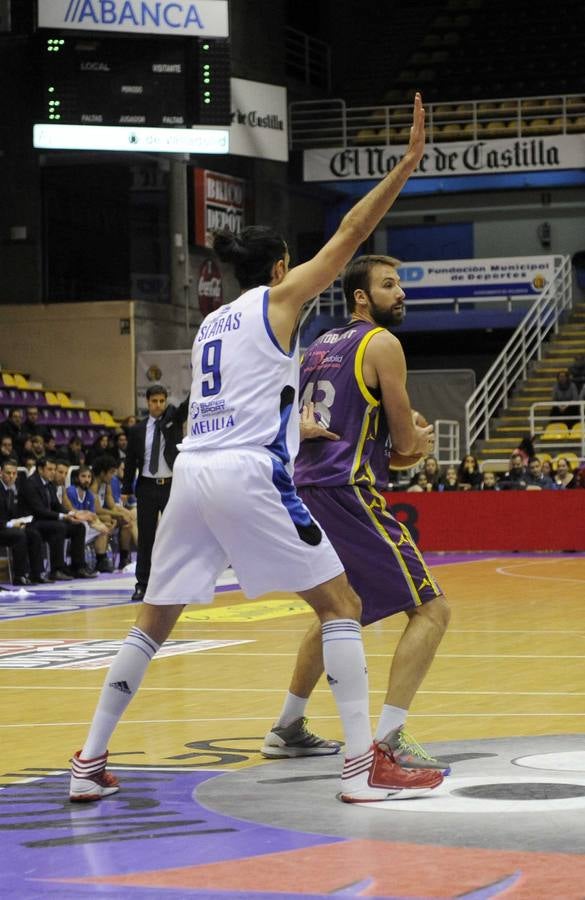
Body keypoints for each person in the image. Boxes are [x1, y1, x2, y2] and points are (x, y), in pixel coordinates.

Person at [69, 93, 444, 805]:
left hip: (191, 472)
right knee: (341, 606)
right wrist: (402, 167)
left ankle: (88, 762)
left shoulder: (212, 322)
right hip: (246, 473)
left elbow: (237, 397)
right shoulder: (277, 303)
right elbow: (353, 230)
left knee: (152, 623)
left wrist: (289, 424)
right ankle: (363, 770)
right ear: (279, 268)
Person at [260, 253, 450, 772]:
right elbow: (405, 446)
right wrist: (421, 443)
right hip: (347, 489)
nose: (401, 293)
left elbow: (303, 416)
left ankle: (288, 726)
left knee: (338, 609)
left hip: (305, 488)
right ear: (361, 297)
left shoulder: (318, 346)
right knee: (432, 609)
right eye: (390, 284)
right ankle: (388, 737)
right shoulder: (382, 343)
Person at [121, 386, 189, 601]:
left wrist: (199, 381)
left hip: (170, 485)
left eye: (162, 401)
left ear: (166, 401)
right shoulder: (137, 430)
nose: (158, 405)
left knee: (173, 536)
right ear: (147, 403)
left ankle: (174, 583)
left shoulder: (173, 420)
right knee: (146, 538)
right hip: (147, 487)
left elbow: (186, 407)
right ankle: (142, 584)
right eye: (154, 401)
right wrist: (125, 489)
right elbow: (130, 460)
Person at [21, 457, 97, 581]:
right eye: (50, 469)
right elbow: (39, 510)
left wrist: (73, 514)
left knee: (78, 527)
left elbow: (56, 505)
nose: (53, 472)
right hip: (32, 522)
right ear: (40, 469)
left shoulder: (49, 484)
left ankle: (78, 566)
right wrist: (63, 517)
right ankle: (57, 569)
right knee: (59, 526)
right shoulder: (30, 484)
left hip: (46, 521)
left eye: (54, 469)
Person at [0, 458, 48, 585]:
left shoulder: (11, 490)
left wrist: (21, 521)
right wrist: (11, 524)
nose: (11, 476)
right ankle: (19, 575)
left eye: (14, 473)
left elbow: (12, 514)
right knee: (19, 535)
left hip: (6, 527)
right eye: (8, 473)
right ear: (0, 472)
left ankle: (36, 573)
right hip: (2, 528)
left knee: (33, 533)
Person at [63, 465, 115, 569]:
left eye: (89, 477)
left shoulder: (90, 495)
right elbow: (72, 513)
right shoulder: (71, 491)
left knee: (103, 529)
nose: (87, 480)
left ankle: (101, 561)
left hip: (86, 525)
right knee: (92, 526)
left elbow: (93, 516)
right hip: (73, 525)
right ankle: (79, 564)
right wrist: (90, 518)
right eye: (83, 476)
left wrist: (101, 526)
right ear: (77, 478)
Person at [91, 455, 134, 570]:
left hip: (100, 515)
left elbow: (112, 506)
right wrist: (119, 515)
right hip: (90, 515)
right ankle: (101, 560)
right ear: (102, 473)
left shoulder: (106, 484)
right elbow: (97, 509)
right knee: (107, 519)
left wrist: (121, 516)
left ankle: (124, 559)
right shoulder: (93, 484)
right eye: (111, 472)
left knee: (127, 523)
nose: (112, 475)